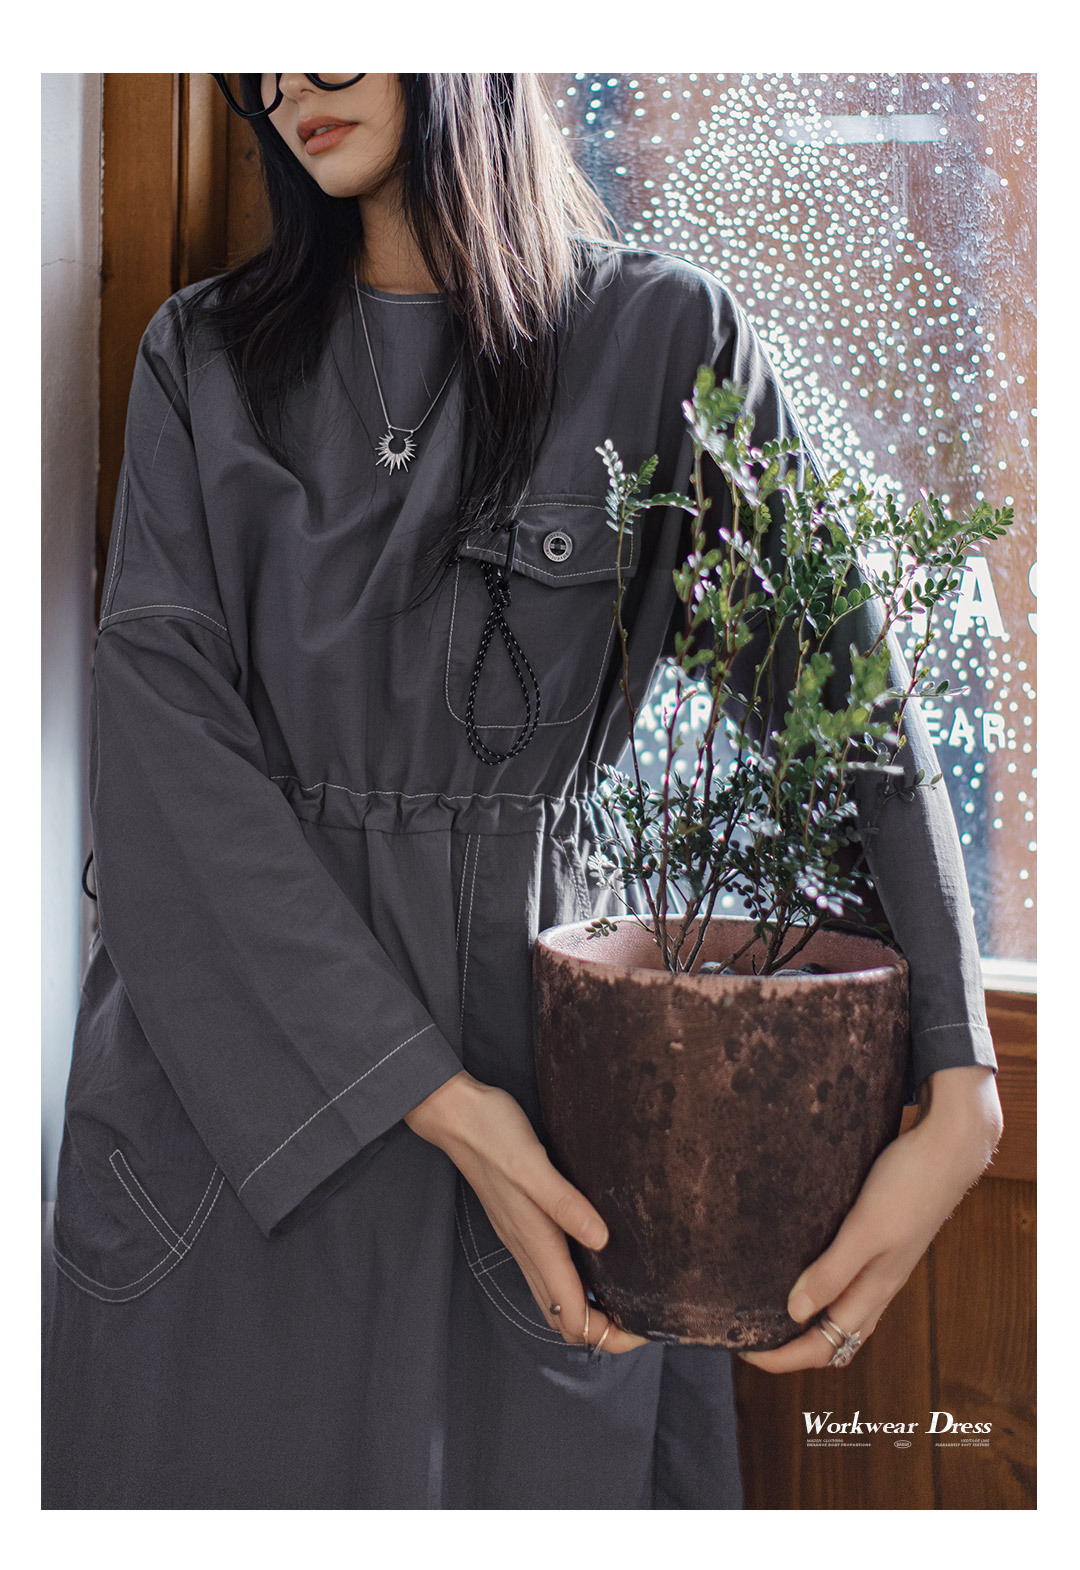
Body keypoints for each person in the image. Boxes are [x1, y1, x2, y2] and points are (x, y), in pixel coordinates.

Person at [41, 73, 1003, 1510]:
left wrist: (959, 1072)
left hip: (555, 1109)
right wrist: (437, 1102)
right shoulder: (202, 357)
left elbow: (846, 696)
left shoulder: (664, 341)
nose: (286, 80)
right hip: (228, 1115)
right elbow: (161, 770)